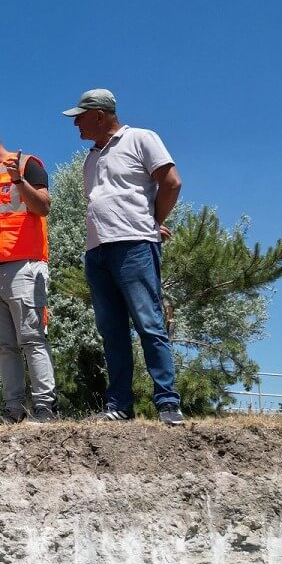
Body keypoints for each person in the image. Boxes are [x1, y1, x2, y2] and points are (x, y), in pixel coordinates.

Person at [62, 88, 184, 425]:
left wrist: (152, 223)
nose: (76, 125)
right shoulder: (91, 158)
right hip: (96, 251)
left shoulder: (142, 139)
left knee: (149, 323)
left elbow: (171, 182)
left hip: (134, 247)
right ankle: (119, 406)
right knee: (111, 330)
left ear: (99, 115)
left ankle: (167, 403)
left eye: (80, 118)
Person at [0, 120, 57, 422]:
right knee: (2, 344)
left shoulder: (27, 164)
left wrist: (19, 181)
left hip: (24, 266)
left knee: (32, 337)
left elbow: (43, 206)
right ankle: (14, 407)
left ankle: (45, 406)